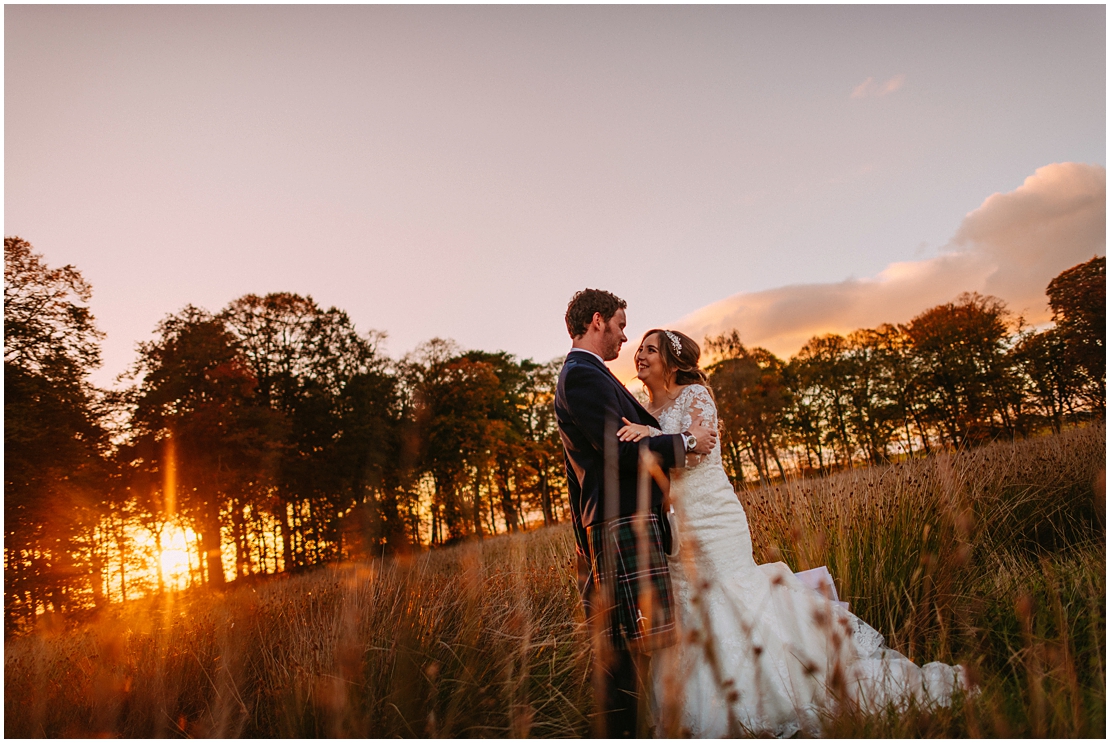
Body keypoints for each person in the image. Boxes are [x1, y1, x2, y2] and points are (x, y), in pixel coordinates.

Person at [617, 328, 969, 737]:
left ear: (673, 363)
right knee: (690, 604)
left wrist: (654, 438)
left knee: (729, 597)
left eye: (650, 349)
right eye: (640, 349)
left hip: (715, 519)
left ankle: (772, 697)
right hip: (675, 528)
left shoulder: (696, 396)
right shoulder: (642, 408)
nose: (640, 355)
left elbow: (701, 451)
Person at [554, 290, 717, 738]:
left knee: (635, 643)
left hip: (619, 522)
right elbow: (615, 452)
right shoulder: (582, 376)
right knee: (629, 648)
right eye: (622, 327)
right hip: (620, 521)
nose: (625, 338)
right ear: (598, 321)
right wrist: (683, 443)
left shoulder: (592, 376)